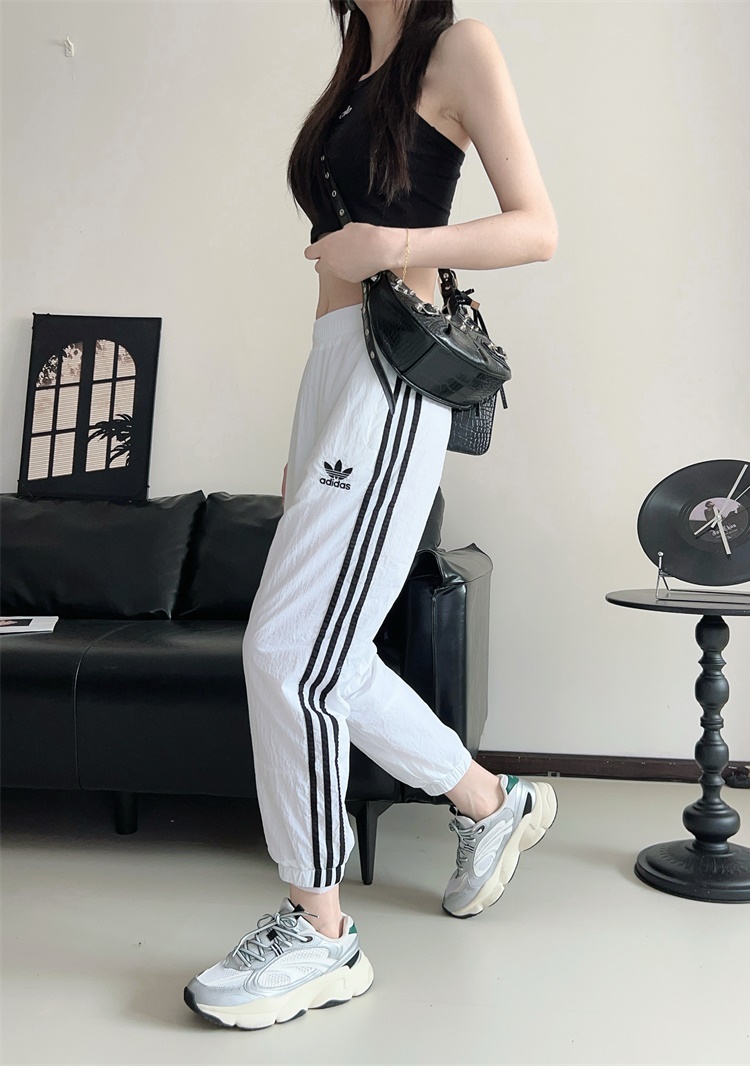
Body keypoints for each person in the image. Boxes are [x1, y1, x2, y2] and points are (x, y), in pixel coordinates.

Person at [184, 0, 559, 1030]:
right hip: (336, 371)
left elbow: (536, 226)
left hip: (393, 374)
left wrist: (394, 240)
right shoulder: (356, 61)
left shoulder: (456, 46)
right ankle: (488, 803)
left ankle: (320, 933)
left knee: (285, 652)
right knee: (329, 656)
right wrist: (305, 433)